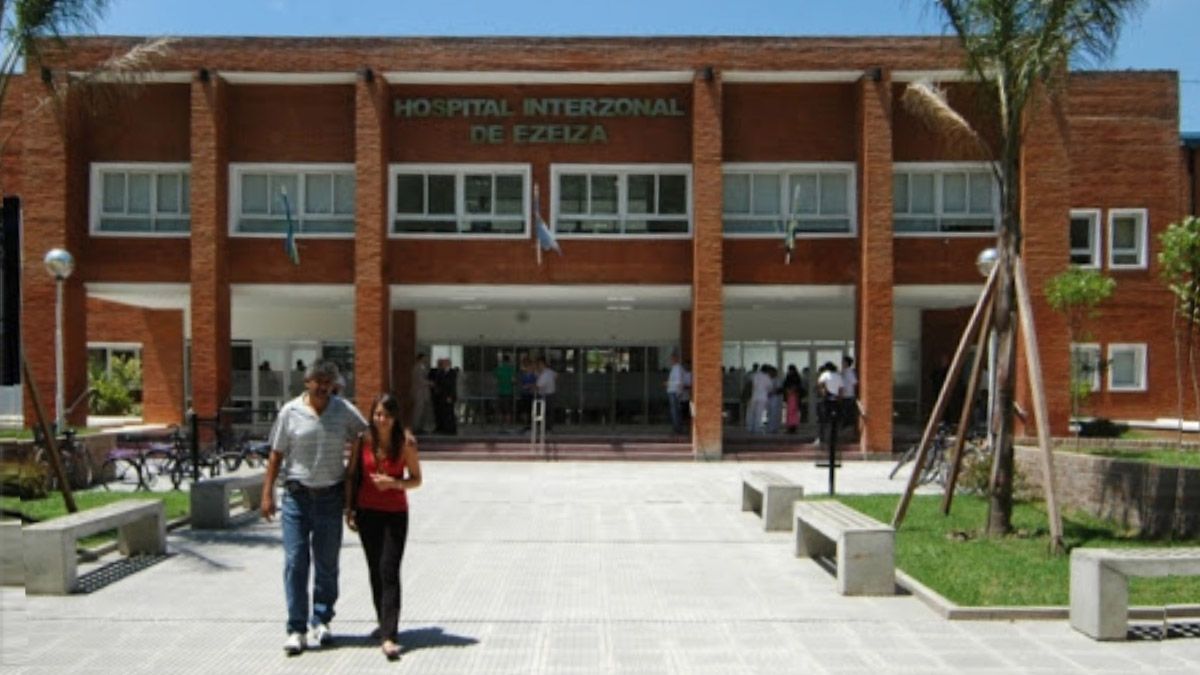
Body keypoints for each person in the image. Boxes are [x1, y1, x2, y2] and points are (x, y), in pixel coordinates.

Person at [261, 360, 367, 656]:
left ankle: (321, 619)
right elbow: (276, 454)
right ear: (306, 382)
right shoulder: (290, 411)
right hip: (297, 497)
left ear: (334, 384)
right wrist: (267, 493)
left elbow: (367, 433)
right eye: (317, 381)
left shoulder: (343, 410)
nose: (322, 386)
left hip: (331, 497)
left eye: (327, 381)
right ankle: (296, 628)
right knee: (295, 562)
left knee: (327, 564)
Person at [344, 393, 422, 661]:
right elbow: (352, 474)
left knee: (389, 570)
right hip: (367, 513)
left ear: (395, 417)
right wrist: (349, 508)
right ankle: (383, 622)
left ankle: (390, 635)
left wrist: (394, 484)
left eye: (387, 415)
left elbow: (417, 479)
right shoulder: (363, 440)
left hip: (395, 514)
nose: (382, 419)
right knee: (375, 570)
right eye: (377, 414)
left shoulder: (405, 443)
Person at [816, 361, 843, 446]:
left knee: (823, 420)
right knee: (834, 421)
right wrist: (839, 399)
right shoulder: (838, 376)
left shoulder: (825, 374)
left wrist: (823, 391)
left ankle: (822, 438)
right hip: (835, 400)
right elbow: (841, 389)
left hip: (826, 399)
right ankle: (834, 439)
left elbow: (819, 384)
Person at [430, 358, 457, 435]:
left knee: (449, 413)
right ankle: (443, 428)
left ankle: (451, 429)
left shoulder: (452, 372)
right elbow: (438, 383)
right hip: (441, 396)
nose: (443, 364)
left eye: (445, 363)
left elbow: (452, 385)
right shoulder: (441, 372)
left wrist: (450, 396)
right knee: (443, 412)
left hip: (448, 396)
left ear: (448, 364)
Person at [409, 353, 432, 434]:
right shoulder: (417, 368)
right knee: (418, 411)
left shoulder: (423, 367)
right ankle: (416, 428)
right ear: (420, 359)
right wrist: (430, 383)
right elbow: (420, 380)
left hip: (423, 393)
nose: (426, 359)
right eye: (424, 358)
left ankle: (420, 428)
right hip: (419, 393)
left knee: (423, 411)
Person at [747, 365, 772, 433]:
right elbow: (770, 387)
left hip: (754, 396)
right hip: (762, 398)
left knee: (752, 413)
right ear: (767, 370)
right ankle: (756, 428)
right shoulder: (767, 377)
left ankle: (750, 428)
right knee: (759, 413)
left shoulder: (754, 375)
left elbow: (751, 384)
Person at [534, 357, 558, 431]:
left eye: (538, 364)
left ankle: (545, 427)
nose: (537, 366)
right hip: (550, 393)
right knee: (548, 412)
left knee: (544, 412)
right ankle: (547, 427)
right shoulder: (549, 372)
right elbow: (556, 376)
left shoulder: (545, 374)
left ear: (542, 364)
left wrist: (530, 386)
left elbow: (538, 386)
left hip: (545, 395)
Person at [665, 352, 685, 435]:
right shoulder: (674, 368)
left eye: (672, 359)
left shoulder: (677, 368)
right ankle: (677, 428)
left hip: (674, 392)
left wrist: (668, 383)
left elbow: (678, 381)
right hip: (673, 391)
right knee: (675, 411)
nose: (671, 360)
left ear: (676, 359)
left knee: (675, 411)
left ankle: (677, 429)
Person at [493, 353, 516, 424]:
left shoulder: (498, 369)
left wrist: (501, 381)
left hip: (500, 391)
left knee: (500, 408)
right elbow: (513, 380)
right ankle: (508, 423)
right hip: (509, 391)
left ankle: (500, 423)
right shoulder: (511, 369)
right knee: (508, 409)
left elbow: (495, 381)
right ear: (508, 361)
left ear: (502, 361)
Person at [840, 356, 859, 437]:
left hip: (849, 396)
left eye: (843, 362)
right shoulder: (844, 372)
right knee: (844, 414)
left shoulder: (849, 372)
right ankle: (845, 431)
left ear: (847, 363)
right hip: (844, 396)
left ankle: (848, 432)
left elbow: (855, 383)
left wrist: (854, 393)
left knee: (847, 415)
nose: (842, 363)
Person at [517, 356, 537, 431]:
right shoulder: (522, 373)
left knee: (531, 409)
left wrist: (530, 386)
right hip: (524, 393)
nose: (525, 365)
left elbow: (537, 383)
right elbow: (520, 383)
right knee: (524, 409)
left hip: (531, 393)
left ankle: (530, 423)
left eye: (527, 363)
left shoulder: (534, 374)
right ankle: (526, 423)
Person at [783, 364, 803, 434]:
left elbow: (795, 386)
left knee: (792, 412)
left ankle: (792, 427)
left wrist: (790, 391)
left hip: (793, 396)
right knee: (791, 412)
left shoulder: (793, 378)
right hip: (792, 396)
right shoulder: (794, 377)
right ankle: (791, 427)